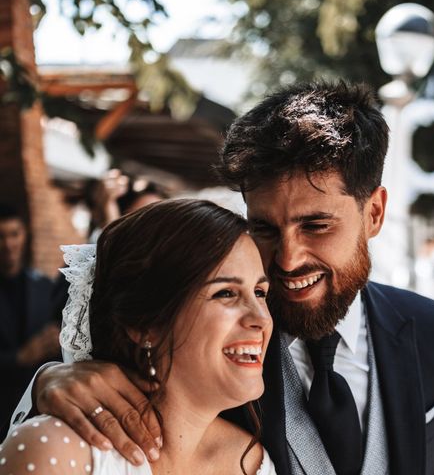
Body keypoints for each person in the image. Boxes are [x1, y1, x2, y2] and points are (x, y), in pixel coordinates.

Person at [10, 82, 434, 474]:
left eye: (316, 225)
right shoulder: (221, 339)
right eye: (264, 227)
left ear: (375, 213)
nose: (286, 259)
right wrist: (48, 380)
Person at [1, 199, 275, 474]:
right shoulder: (56, 452)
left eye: (260, 293)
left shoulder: (254, 463)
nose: (262, 319)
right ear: (145, 326)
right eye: (225, 293)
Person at [0, 204, 60, 439]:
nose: (8, 244)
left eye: (14, 234)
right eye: (0, 236)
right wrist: (18, 358)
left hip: (36, 410)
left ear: (24, 235)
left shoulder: (44, 286)